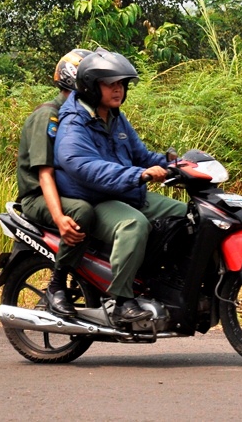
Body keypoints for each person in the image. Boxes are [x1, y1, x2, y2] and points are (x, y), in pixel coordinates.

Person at [54, 49, 186, 325]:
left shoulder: (114, 116)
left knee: (186, 216)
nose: (118, 90)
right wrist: (139, 176)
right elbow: (83, 166)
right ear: (90, 86)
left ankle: (160, 279)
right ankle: (119, 301)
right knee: (133, 224)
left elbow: (141, 155)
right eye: (110, 84)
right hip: (95, 198)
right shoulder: (73, 123)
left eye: (121, 84)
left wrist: (175, 165)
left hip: (125, 190)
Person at [16, 48, 96, 318]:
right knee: (82, 212)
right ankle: (57, 285)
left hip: (66, 190)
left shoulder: (84, 114)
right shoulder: (49, 116)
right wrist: (60, 217)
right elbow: (44, 173)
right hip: (39, 197)